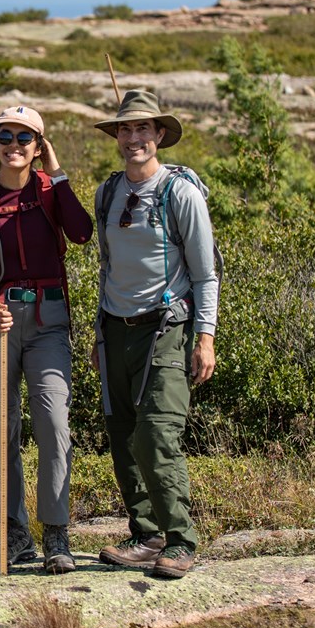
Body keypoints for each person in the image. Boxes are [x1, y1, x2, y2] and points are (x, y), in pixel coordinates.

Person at [0, 106, 93, 574]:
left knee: (54, 422)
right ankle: (13, 534)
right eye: (5, 137)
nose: (13, 146)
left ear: (39, 146)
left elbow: (81, 232)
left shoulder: (50, 190)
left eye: (25, 138)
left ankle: (56, 534)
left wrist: (58, 175)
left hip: (48, 318)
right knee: (3, 429)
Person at [92, 89, 217, 579]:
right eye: (125, 129)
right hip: (115, 329)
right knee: (122, 435)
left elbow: (206, 274)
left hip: (166, 329)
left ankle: (181, 540)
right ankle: (146, 535)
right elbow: (105, 264)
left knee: (157, 435)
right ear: (117, 137)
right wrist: (99, 333)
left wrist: (204, 337)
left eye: (144, 128)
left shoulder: (179, 192)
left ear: (159, 135)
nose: (134, 138)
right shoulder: (107, 192)